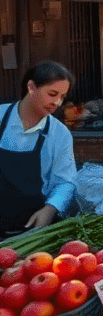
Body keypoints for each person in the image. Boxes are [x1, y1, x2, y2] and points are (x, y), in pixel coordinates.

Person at [0, 62, 78, 232]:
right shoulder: (0, 117)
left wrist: (50, 210)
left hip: (31, 233)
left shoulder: (60, 134)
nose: (57, 102)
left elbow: (65, 182)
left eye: (62, 97)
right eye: (52, 94)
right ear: (31, 88)